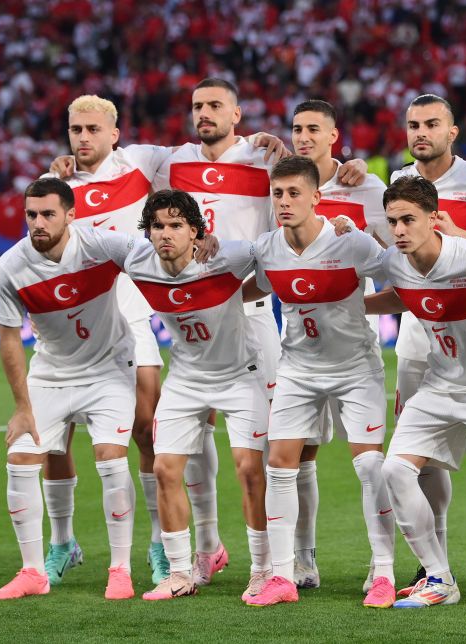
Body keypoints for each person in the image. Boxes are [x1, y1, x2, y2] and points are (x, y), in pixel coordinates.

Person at [43, 93, 277, 586]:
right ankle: (201, 548)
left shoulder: (155, 159)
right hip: (165, 316)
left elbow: (286, 224)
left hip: (242, 314)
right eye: (75, 130)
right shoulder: (71, 189)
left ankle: (284, 564)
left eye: (92, 129)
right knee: (177, 443)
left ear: (114, 131)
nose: (83, 138)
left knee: (275, 454)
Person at [151, 79, 367, 586]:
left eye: (215, 105)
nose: (204, 113)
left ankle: (297, 557)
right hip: (196, 319)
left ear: (237, 112)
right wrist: (65, 166)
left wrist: (349, 168)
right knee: (192, 434)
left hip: (252, 314)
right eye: (197, 106)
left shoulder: (264, 157)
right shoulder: (167, 160)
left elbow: (312, 180)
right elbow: (104, 159)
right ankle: (207, 547)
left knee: (288, 448)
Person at [365, 176, 466, 611]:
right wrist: (356, 305)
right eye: (393, 221)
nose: (399, 230)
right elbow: (403, 296)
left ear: (434, 219)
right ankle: (438, 577)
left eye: (408, 220)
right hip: (440, 385)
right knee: (394, 470)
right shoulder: (395, 261)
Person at [240, 156, 396, 608]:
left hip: (356, 367)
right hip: (298, 369)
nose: (284, 202)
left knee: (369, 467)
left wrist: (361, 309)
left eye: (293, 193)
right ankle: (284, 576)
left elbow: (400, 275)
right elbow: (254, 284)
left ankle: (383, 570)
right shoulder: (267, 247)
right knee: (280, 465)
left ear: (316, 197)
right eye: (277, 194)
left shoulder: (351, 244)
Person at [0, 177, 139, 601]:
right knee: (19, 459)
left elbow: (152, 261)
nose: (37, 223)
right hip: (51, 371)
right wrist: (21, 406)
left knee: (111, 459)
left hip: (109, 368)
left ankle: (120, 569)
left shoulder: (101, 246)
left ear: (70, 215)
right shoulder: (11, 265)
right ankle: (33, 572)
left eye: (48, 214)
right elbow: (9, 339)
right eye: (31, 214)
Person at [388, 94, 466, 602]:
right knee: (425, 462)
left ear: (452, 131)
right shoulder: (397, 183)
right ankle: (431, 566)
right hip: (419, 342)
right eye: (414, 124)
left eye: (432, 124)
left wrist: (461, 232)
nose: (422, 132)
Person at [123, 189, 270, 602]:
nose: (165, 234)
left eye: (175, 225)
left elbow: (273, 254)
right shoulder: (138, 260)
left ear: (195, 231)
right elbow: (88, 241)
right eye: (157, 226)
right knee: (166, 469)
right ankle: (179, 574)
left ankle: (263, 570)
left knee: (248, 469)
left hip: (241, 375)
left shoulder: (228, 257)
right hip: (186, 378)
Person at [286, 98, 390, 590]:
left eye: (313, 129)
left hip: (351, 349)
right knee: (298, 457)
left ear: (334, 135)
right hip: (297, 351)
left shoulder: (367, 187)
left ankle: (380, 562)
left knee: (368, 462)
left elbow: (397, 253)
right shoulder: (281, 185)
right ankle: (303, 560)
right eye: (295, 128)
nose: (302, 136)